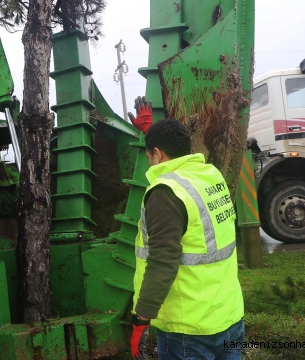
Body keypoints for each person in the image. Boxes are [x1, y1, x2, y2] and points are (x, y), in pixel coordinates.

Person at [127, 97, 244, 360]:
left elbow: (162, 262)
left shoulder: (165, 193)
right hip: (229, 317)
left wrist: (141, 318)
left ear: (157, 153)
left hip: (188, 331)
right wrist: (150, 132)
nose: (150, 163)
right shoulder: (210, 175)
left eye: (149, 156)